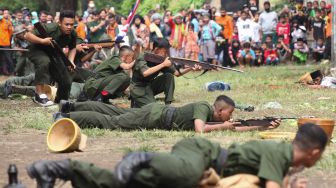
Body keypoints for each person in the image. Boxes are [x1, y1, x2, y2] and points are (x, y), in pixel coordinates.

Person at [27, 123, 327, 188]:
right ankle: (144, 155)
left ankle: (56, 169)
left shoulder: (282, 161)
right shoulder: (281, 151)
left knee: (130, 183)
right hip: (201, 154)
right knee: (184, 175)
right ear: (314, 152)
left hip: (206, 169)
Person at [55, 94, 279, 132]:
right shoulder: (203, 108)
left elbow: (235, 126)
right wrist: (223, 126)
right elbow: (200, 130)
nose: (229, 118)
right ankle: (67, 117)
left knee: (113, 110)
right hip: (154, 117)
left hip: (156, 111)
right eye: (228, 114)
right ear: (219, 110)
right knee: (112, 121)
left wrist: (263, 125)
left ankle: (71, 105)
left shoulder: (210, 113)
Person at [24, 10, 77, 106]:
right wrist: (42, 40)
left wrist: (71, 61)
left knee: (66, 79)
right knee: (44, 62)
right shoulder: (50, 28)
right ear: (59, 23)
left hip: (53, 53)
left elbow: (73, 47)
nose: (69, 27)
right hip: (37, 49)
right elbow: (27, 35)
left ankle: (61, 100)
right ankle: (39, 95)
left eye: (71, 24)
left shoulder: (72, 33)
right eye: (67, 24)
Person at [130, 38, 192, 108]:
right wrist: (163, 64)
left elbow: (177, 73)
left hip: (149, 86)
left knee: (169, 76)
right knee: (153, 109)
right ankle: (136, 102)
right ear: (156, 49)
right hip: (138, 88)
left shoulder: (161, 60)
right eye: (164, 51)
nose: (166, 54)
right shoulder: (143, 56)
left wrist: (191, 67)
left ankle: (168, 105)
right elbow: (145, 73)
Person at [0, 8, 14, 75]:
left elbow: (11, 32)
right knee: (2, 58)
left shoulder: (8, 22)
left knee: (8, 58)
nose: (5, 14)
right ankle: (4, 71)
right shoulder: (1, 20)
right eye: (4, 13)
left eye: (6, 13)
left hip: (5, 42)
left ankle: (12, 72)